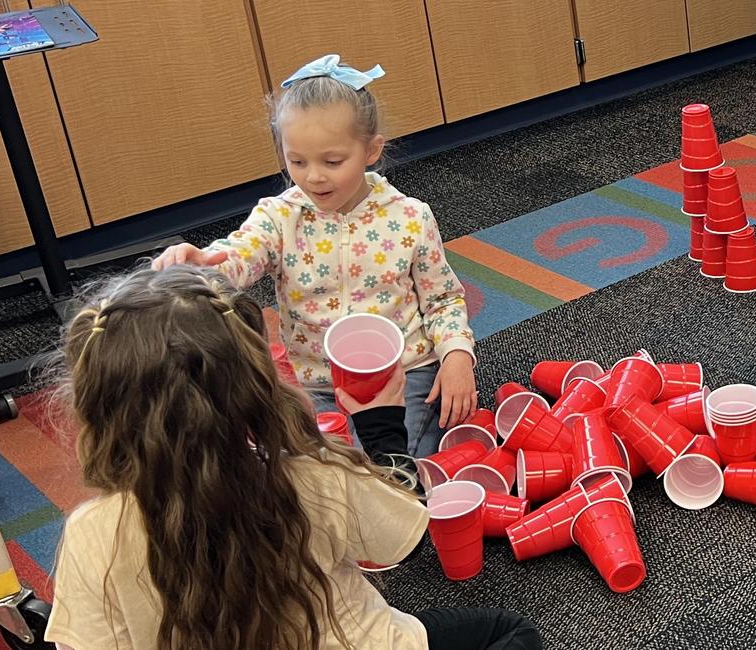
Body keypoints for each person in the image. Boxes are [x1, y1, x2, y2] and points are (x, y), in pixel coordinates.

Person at [44, 266, 542, 649]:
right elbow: (400, 541)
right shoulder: (314, 478)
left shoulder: (93, 533)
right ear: (257, 388)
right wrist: (379, 424)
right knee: (510, 631)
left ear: (96, 410)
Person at [154, 54, 476, 458]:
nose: (314, 176)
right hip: (316, 382)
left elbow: (443, 298)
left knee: (394, 466)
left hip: (401, 372)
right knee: (309, 468)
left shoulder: (410, 217)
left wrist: (456, 354)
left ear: (372, 150)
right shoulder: (279, 216)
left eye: (332, 161)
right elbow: (241, 253)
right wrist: (203, 264)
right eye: (297, 161)